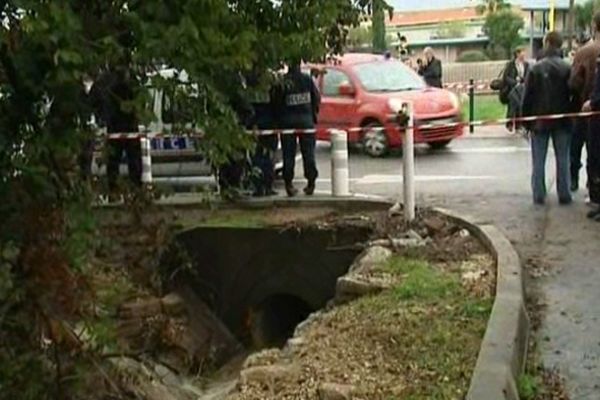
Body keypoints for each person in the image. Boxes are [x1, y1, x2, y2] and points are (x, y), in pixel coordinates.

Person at [521, 31, 574, 205]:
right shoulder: (567, 68)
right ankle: (564, 193)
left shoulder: (535, 68)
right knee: (563, 158)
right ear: (559, 45)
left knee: (538, 160)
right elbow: (573, 93)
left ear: (547, 43)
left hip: (539, 120)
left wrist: (526, 122)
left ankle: (538, 194)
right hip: (563, 120)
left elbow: (527, 97)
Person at [89, 65, 141, 194]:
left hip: (115, 125)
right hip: (127, 125)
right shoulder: (130, 80)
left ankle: (115, 190)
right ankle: (134, 189)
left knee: (115, 161)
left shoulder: (103, 81)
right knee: (131, 160)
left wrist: (102, 117)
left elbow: (92, 102)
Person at [279, 61, 320, 197]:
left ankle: (289, 184)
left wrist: (279, 120)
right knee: (308, 153)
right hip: (306, 122)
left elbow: (276, 102)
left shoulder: (283, 82)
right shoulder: (307, 80)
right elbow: (316, 98)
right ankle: (311, 182)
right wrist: (313, 115)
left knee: (288, 155)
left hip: (287, 123)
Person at [569, 14, 600, 193]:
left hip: (585, 106)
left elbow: (574, 82)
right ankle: (593, 186)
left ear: (595, 26)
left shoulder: (585, 52)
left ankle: (574, 179)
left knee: (578, 145)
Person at [246, 73, 278, 197]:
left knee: (260, 157)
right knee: (264, 158)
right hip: (267, 125)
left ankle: (261, 186)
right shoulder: (271, 86)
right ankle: (264, 186)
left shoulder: (251, 88)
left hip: (260, 126)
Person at [502, 47, 529, 132]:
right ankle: (509, 124)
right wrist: (514, 82)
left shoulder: (526, 64)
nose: (524, 54)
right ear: (517, 54)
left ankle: (519, 125)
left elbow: (527, 75)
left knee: (520, 106)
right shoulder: (511, 64)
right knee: (512, 106)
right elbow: (506, 77)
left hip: (522, 88)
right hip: (512, 89)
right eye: (522, 52)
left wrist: (524, 81)